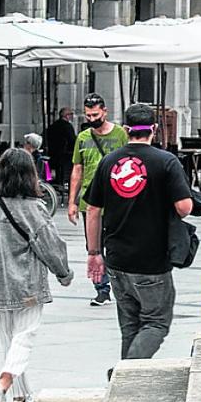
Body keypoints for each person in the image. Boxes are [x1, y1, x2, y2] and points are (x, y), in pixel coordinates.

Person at [84, 102, 194, 360]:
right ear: (154, 129)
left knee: (130, 326)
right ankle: (127, 371)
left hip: (118, 259)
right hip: (152, 260)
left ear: (126, 129)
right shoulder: (166, 162)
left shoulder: (109, 162)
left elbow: (92, 210)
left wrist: (93, 252)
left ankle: (124, 387)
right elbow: (185, 208)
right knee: (156, 322)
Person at [0, 148, 72, 402]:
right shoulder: (34, 208)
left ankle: (19, 397)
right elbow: (50, 245)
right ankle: (3, 382)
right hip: (28, 284)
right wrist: (63, 273)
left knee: (9, 340)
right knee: (25, 336)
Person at [68, 93, 129, 306]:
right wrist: (72, 201)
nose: (92, 119)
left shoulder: (120, 134)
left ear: (105, 111)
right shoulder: (83, 138)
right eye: (88, 115)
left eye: (95, 114)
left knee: (116, 244)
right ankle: (101, 288)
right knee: (93, 246)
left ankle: (118, 284)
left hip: (116, 200)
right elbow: (77, 169)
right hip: (89, 200)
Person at [43, 108, 76, 189]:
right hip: (64, 153)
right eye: (71, 114)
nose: (72, 116)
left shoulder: (53, 125)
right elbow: (72, 140)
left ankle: (53, 182)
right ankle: (61, 184)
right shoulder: (67, 126)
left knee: (54, 169)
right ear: (66, 116)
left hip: (53, 151)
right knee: (63, 171)